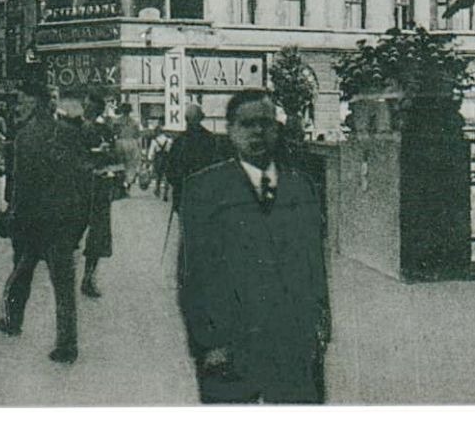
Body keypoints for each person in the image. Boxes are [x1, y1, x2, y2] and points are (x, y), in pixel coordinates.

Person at [177, 90, 330, 404]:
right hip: (231, 343)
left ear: (277, 129)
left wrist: (321, 325)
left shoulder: (302, 186)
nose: (258, 132)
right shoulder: (204, 188)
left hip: (294, 339)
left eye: (266, 123)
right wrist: (208, 344)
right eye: (247, 124)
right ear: (230, 130)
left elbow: (315, 263)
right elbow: (192, 273)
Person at [0, 84, 93, 364]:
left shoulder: (25, 137)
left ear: (37, 104)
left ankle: (13, 322)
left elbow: (22, 185)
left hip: (34, 224)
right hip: (63, 223)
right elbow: (84, 180)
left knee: (20, 275)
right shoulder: (69, 133)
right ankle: (67, 345)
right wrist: (80, 223)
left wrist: (13, 216)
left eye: (24, 102)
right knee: (63, 286)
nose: (19, 107)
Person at [79, 94, 121, 299]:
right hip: (79, 186)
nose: (86, 109)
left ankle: (88, 277)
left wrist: (105, 153)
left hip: (99, 185)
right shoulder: (77, 128)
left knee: (98, 234)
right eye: (85, 105)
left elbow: (114, 156)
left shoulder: (104, 129)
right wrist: (97, 152)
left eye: (89, 106)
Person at [166, 103, 232, 214]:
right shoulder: (210, 139)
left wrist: (177, 183)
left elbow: (170, 169)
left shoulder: (180, 141)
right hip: (204, 193)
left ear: (186, 119)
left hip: (183, 193)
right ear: (201, 118)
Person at [114, 103, 143, 195]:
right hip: (131, 143)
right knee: (131, 165)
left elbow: (115, 133)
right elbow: (137, 135)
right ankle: (128, 185)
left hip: (120, 143)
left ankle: (121, 186)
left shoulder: (117, 121)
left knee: (120, 165)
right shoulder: (134, 122)